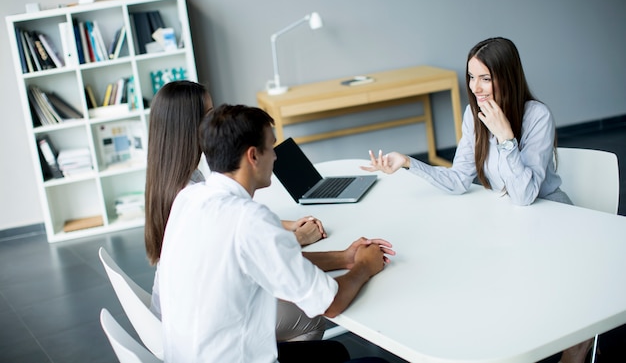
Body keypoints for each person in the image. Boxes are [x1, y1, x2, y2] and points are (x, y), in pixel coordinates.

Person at [361, 37, 591, 363]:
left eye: (485, 77)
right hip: (509, 216)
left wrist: (506, 138)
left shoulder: (536, 116)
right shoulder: (473, 114)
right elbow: (458, 180)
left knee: (547, 286)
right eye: (471, 77)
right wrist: (408, 162)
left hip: (551, 211)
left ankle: (575, 346)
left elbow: (526, 196)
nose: (476, 87)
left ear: (506, 76)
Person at [158, 103, 395, 362]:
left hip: (191, 354)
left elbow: (273, 263)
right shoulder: (250, 220)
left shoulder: (189, 198)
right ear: (253, 156)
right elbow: (331, 304)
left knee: (334, 352)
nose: (276, 156)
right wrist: (363, 267)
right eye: (271, 146)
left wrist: (344, 257)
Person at [144, 81, 328, 342]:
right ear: (189, 126)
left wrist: (286, 226)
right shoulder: (186, 192)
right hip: (201, 321)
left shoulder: (176, 180)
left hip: (184, 307)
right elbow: (240, 247)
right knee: (311, 316)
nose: (215, 119)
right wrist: (297, 238)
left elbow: (227, 228)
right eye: (209, 114)